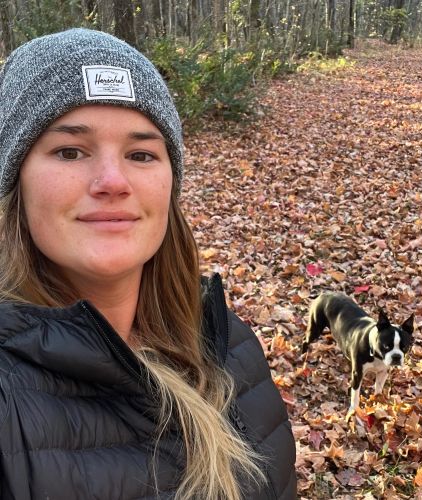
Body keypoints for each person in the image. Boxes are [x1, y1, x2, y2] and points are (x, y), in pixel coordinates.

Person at [0, 28, 296, 500]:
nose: (113, 181)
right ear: (15, 181)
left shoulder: (229, 345)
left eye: (141, 154)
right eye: (70, 151)